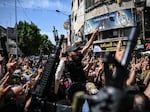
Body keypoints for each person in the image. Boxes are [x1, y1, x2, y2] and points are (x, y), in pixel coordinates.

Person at [54, 29, 99, 102]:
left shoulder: (78, 57)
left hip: (82, 87)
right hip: (72, 90)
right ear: (69, 53)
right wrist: (55, 94)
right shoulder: (64, 62)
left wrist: (94, 35)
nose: (77, 52)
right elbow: (57, 77)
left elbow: (87, 46)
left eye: (77, 50)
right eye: (75, 51)